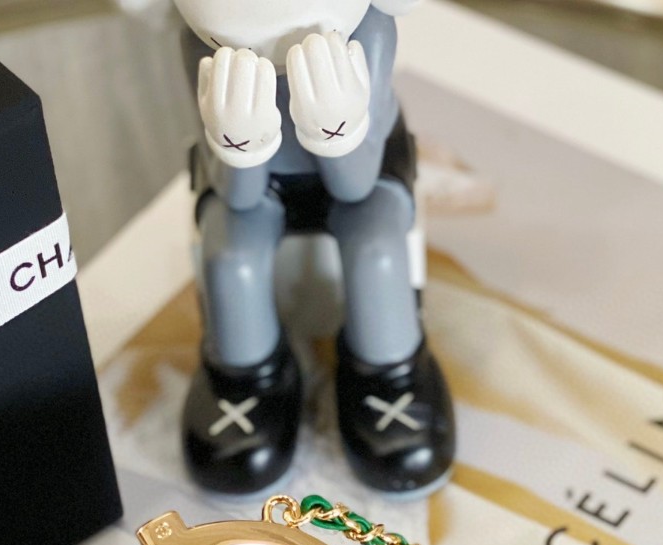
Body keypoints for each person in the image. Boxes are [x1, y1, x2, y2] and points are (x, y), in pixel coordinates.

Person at [174, 0, 456, 497]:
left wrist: (337, 131)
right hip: (252, 184)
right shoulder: (204, 44)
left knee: (376, 253)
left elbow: (355, 185)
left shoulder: (366, 31)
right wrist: (242, 145)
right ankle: (245, 377)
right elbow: (238, 196)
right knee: (232, 260)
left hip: (363, 172)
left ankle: (390, 374)